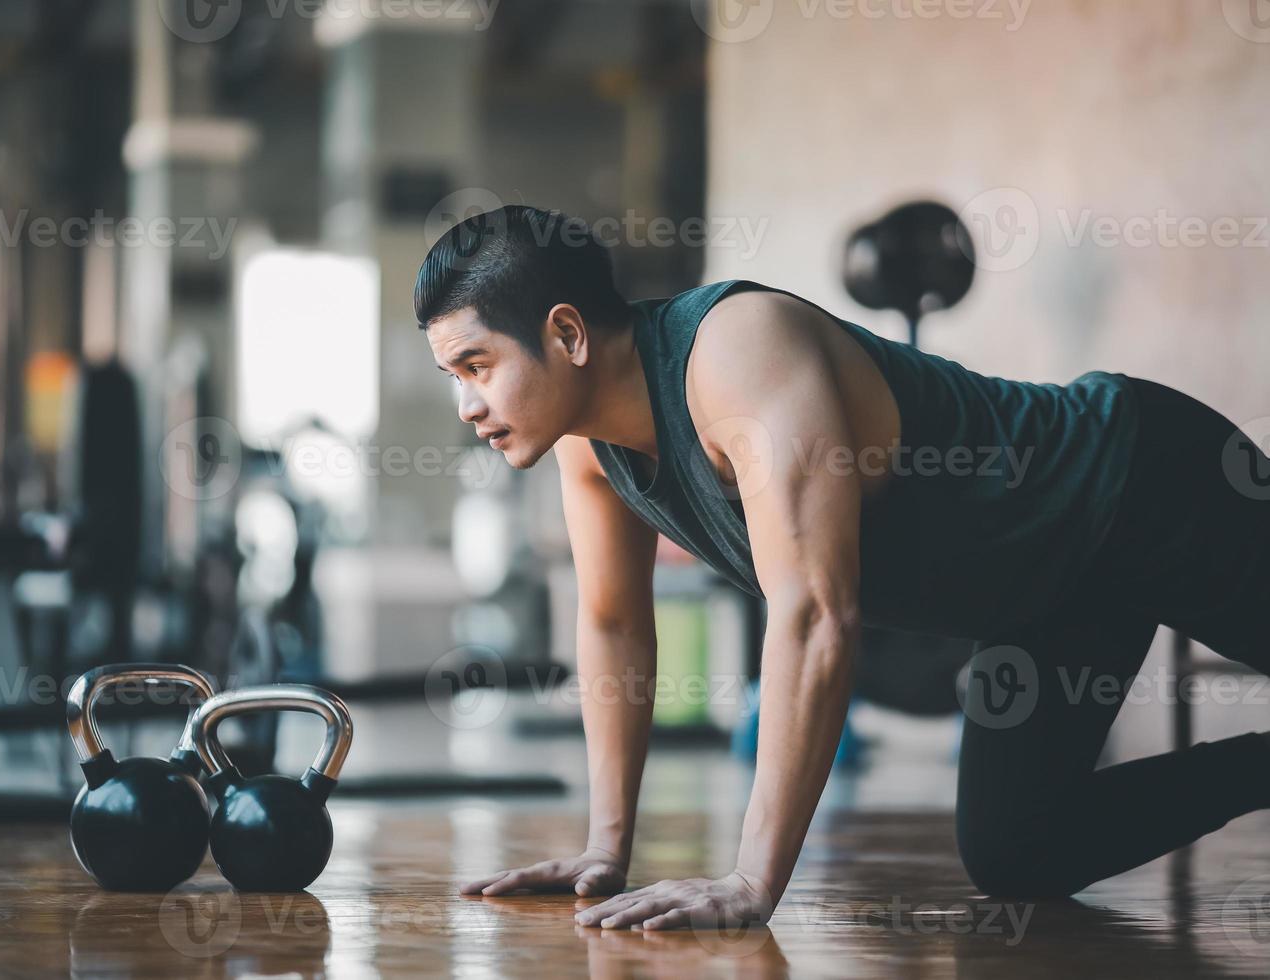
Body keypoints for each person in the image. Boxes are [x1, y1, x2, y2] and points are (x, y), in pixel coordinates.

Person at [414, 205, 1270, 931]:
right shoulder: (590, 452)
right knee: (1019, 852)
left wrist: (752, 881)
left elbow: (816, 612)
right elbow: (613, 623)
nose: (467, 406)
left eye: (477, 366)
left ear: (565, 333)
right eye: (453, 375)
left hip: (1144, 482)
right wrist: (607, 846)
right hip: (1045, 596)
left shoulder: (736, 351)